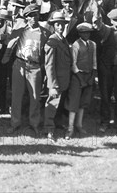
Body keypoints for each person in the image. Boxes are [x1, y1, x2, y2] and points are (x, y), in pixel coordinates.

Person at [7, 4, 49, 135]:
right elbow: (8, 39)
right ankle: (15, 123)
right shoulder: (21, 30)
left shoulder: (45, 32)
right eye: (30, 16)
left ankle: (35, 124)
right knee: (16, 95)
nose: (33, 18)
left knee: (35, 96)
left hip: (35, 66)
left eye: (35, 15)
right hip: (20, 64)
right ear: (26, 18)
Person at [44, 11, 72, 140]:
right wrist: (52, 85)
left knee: (60, 105)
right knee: (53, 104)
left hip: (65, 79)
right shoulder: (52, 41)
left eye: (62, 24)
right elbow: (49, 65)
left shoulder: (63, 39)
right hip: (56, 80)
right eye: (57, 25)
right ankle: (49, 129)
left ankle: (57, 123)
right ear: (53, 26)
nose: (60, 27)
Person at [66, 23, 97, 139]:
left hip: (88, 76)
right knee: (74, 101)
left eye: (88, 32)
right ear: (79, 33)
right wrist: (80, 79)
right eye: (84, 32)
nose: (87, 34)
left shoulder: (93, 44)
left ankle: (79, 124)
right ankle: (70, 127)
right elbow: (73, 64)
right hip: (77, 76)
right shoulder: (76, 45)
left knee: (83, 102)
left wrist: (92, 77)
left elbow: (94, 62)